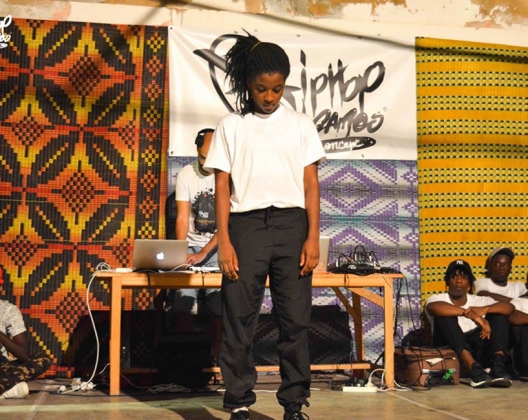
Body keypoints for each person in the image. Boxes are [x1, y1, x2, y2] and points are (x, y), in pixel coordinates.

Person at [204, 32, 326, 420]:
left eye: (277, 89)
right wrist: (224, 241)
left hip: (292, 226)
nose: (269, 97)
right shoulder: (231, 125)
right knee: (239, 318)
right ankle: (239, 401)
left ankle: (294, 405)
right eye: (261, 89)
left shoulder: (301, 124)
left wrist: (312, 236)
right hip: (246, 227)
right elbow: (222, 186)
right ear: (248, 84)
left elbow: (311, 183)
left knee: (295, 321)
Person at [170, 128, 221, 360]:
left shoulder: (226, 175)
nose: (207, 164)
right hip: (190, 247)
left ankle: (218, 360)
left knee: (219, 307)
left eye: (211, 158)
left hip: (218, 249)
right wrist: (180, 250)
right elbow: (182, 217)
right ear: (196, 150)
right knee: (183, 303)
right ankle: (187, 360)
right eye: (202, 158)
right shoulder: (186, 174)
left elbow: (227, 225)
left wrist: (204, 253)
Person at [424, 259, 514, 388]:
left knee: (500, 316)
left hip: (478, 353)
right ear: (447, 281)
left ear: (470, 283)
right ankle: (473, 369)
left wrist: (485, 310)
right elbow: (433, 307)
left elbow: (509, 308)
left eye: (464, 277)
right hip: (452, 354)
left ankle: (497, 368)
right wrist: (473, 316)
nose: (459, 281)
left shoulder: (480, 301)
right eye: (454, 277)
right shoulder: (438, 298)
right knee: (444, 317)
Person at [474, 246, 528, 379]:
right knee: (500, 315)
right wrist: (514, 303)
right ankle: (497, 364)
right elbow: (484, 294)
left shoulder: (518, 286)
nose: (502, 267)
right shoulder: (482, 282)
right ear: (490, 267)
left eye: (505, 264)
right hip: (491, 332)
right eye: (497, 264)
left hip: (514, 331)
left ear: (510, 268)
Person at [0, 268, 51, 399]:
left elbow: (24, 354)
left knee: (42, 359)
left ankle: (6, 387)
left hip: (2, 367)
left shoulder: (8, 310)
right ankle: (8, 389)